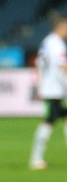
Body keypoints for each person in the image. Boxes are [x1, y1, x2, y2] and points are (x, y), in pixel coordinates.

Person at [29, 13, 67, 170]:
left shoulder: (47, 42)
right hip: (53, 89)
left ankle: (36, 158)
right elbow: (62, 64)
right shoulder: (57, 44)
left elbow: (39, 63)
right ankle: (36, 159)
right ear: (60, 26)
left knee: (57, 119)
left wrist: (40, 85)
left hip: (50, 88)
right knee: (48, 121)